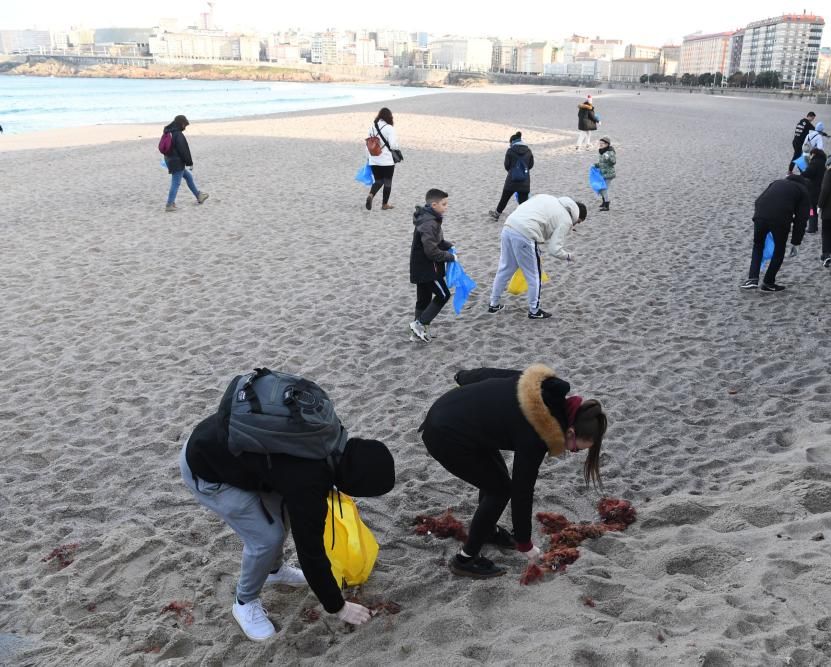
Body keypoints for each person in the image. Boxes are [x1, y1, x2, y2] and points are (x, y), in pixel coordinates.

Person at [179, 371, 396, 641]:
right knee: (267, 538)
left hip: (227, 451)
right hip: (207, 472)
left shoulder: (331, 433)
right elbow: (311, 552)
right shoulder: (309, 481)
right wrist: (337, 606)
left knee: (281, 516)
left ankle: (274, 571)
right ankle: (244, 603)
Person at [420, 364, 608, 578]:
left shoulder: (543, 389)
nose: (571, 452)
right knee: (499, 491)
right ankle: (465, 559)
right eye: (575, 449)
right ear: (571, 431)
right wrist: (525, 543)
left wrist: (464, 377)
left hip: (454, 414)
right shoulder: (538, 433)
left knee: (496, 478)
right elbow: (522, 490)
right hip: (445, 435)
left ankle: (488, 531)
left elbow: (496, 375)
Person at [486, 194, 586, 319]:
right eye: (578, 222)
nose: (575, 225)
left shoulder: (550, 198)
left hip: (508, 226)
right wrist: (569, 256)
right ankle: (534, 311)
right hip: (525, 233)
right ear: (576, 216)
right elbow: (554, 249)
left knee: (504, 269)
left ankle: (493, 304)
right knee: (534, 275)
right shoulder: (566, 220)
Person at [741, 174, 810, 292]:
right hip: (780, 219)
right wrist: (796, 243)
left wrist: (760, 216)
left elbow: (758, 200)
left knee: (758, 245)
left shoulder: (776, 182)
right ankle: (768, 282)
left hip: (760, 216)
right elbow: (801, 219)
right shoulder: (803, 191)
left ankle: (752, 279)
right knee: (779, 250)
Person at [409, 188, 456, 343]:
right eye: (444, 204)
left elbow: (436, 241)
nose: (446, 207)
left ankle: (418, 332)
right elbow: (431, 251)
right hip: (428, 268)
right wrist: (450, 257)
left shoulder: (429, 218)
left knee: (423, 299)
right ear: (434, 204)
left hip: (419, 266)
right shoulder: (429, 222)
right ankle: (420, 324)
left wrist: (448, 245)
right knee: (443, 295)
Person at [162, 115, 209, 212]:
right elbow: (184, 150)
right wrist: (189, 162)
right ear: (181, 123)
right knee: (176, 183)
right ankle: (169, 204)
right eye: (185, 125)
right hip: (177, 162)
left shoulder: (168, 131)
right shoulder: (178, 134)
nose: (185, 127)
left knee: (188, 177)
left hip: (169, 159)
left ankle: (199, 196)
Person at [489, 131, 534, 220]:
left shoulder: (510, 151)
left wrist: (513, 172)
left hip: (512, 180)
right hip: (524, 180)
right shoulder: (528, 151)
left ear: (512, 142)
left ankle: (497, 214)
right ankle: (527, 218)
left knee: (505, 198)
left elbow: (507, 165)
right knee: (523, 202)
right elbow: (531, 165)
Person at [366, 108, 399, 211]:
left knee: (379, 180)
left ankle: (371, 195)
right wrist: (397, 148)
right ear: (389, 117)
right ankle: (384, 204)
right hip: (387, 160)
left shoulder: (372, 127)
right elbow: (393, 145)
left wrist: (368, 157)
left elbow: (368, 144)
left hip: (374, 159)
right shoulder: (389, 128)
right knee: (388, 182)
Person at [801, 148, 827, 234]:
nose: (810, 156)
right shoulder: (825, 162)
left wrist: (803, 172)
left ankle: (812, 227)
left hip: (813, 189)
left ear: (814, 154)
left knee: (812, 209)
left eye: (811, 154)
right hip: (823, 188)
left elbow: (808, 173)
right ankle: (822, 227)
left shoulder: (814, 163)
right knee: (823, 209)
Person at [594, 136, 616, 211]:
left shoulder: (610, 152)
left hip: (609, 174)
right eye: (600, 143)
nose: (600, 145)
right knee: (601, 188)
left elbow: (613, 162)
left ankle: (607, 205)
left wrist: (608, 158)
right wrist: (596, 165)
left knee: (604, 189)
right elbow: (602, 163)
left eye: (602, 143)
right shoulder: (601, 151)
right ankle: (604, 202)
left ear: (607, 144)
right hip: (603, 173)